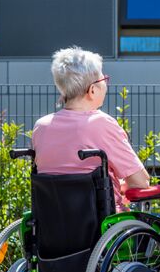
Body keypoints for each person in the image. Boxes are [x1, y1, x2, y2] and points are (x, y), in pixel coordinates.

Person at [32, 46, 150, 210]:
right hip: (100, 226)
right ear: (92, 90)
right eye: (104, 80)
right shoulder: (102, 124)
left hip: (52, 225)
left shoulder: (41, 127)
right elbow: (140, 181)